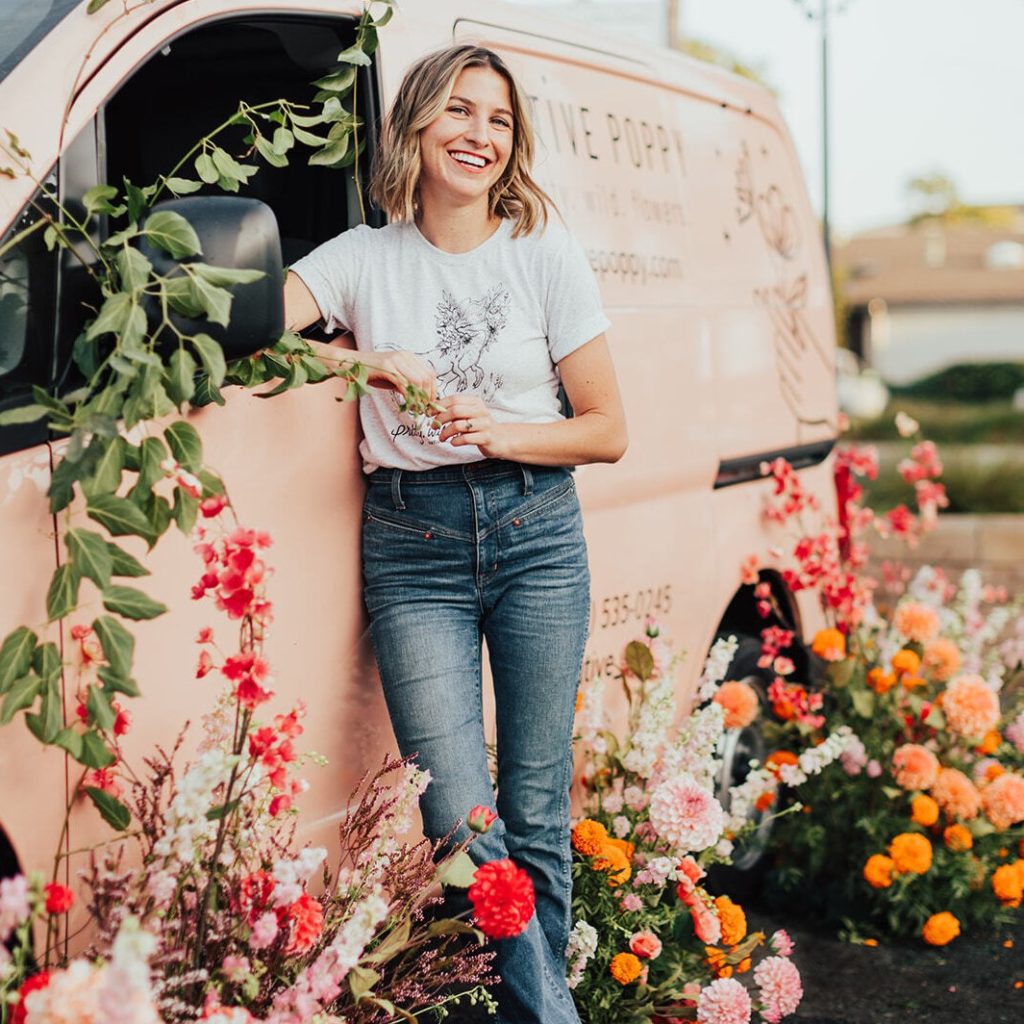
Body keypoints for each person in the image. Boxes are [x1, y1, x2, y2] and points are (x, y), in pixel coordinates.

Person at [284, 44, 626, 1024]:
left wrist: (504, 428)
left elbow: (608, 427)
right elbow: (250, 326)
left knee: (536, 807)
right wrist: (366, 365)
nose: (481, 134)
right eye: (461, 112)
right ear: (417, 124)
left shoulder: (539, 251)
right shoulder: (361, 258)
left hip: (536, 530)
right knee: (460, 822)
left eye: (500, 120)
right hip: (412, 546)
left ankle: (534, 1010)